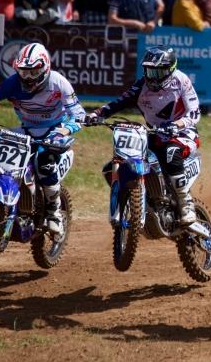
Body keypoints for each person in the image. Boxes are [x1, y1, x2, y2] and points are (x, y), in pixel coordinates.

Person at [0, 43, 84, 238]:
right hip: (26, 130)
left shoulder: (59, 83)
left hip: (54, 131)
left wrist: (65, 130)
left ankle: (53, 211)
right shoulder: (12, 83)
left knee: (45, 164)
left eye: (33, 72)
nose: (27, 77)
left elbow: (78, 115)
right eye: (23, 71)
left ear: (45, 68)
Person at [85, 48, 204, 228]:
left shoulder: (181, 81)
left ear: (170, 69)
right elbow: (120, 102)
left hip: (183, 133)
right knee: (120, 162)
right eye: (149, 71)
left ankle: (185, 202)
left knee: (170, 152)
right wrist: (97, 114)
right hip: (155, 133)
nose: (153, 78)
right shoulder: (141, 85)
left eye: (158, 72)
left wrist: (177, 125)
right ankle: (142, 197)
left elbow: (194, 113)